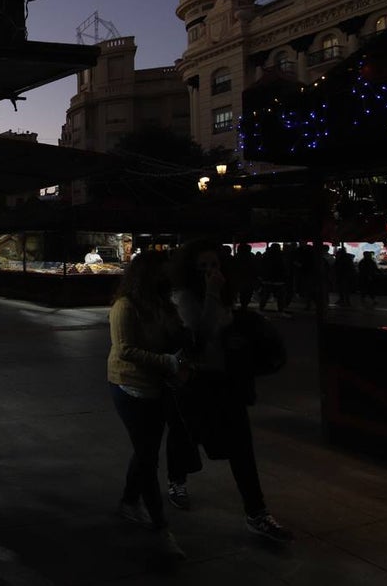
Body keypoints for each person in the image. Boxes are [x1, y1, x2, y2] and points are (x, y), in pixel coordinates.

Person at [166, 238, 294, 544]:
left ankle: (257, 512)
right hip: (195, 381)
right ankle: (176, 480)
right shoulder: (184, 298)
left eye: (214, 265)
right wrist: (211, 294)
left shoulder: (223, 292)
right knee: (187, 436)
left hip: (225, 380)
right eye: (203, 266)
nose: (210, 271)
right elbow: (202, 333)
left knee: (241, 446)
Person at [106, 250, 189, 562]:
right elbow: (125, 350)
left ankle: (129, 501)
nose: (168, 278)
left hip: (157, 386)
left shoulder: (162, 304)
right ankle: (159, 525)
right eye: (163, 273)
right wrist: (167, 362)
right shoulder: (125, 306)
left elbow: (180, 335)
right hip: (128, 385)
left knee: (147, 451)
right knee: (147, 456)